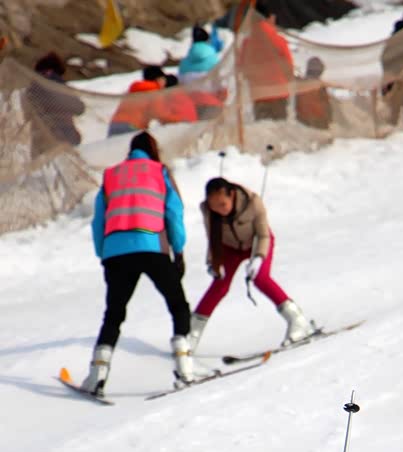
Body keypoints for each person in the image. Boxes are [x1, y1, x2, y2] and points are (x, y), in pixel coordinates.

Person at [81, 131, 193, 397]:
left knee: (114, 314)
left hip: (116, 252)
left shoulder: (111, 175)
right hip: (152, 246)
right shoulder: (159, 171)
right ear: (153, 149)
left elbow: (99, 220)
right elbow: (173, 212)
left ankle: (97, 374)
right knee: (178, 305)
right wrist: (178, 250)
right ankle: (185, 368)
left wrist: (103, 253)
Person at [188, 176, 314, 354]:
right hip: (229, 248)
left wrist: (259, 258)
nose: (219, 210)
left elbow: (264, 235)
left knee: (261, 278)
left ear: (232, 195)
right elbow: (212, 238)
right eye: (214, 206)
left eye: (223, 204)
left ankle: (297, 320)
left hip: (257, 243)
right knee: (219, 285)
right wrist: (213, 263)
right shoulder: (208, 210)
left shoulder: (253, 203)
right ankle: (192, 333)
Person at [238, 0, 294, 120]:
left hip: (258, 94)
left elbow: (242, 68)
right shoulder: (278, 40)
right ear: (269, 17)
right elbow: (289, 66)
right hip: (278, 92)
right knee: (280, 128)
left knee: (263, 127)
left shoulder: (247, 43)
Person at [26, 51, 85, 148]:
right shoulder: (59, 86)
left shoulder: (32, 90)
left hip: (40, 137)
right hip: (65, 134)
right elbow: (79, 108)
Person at [107, 65, 166, 137]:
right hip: (132, 127)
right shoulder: (154, 91)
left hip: (115, 125)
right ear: (158, 79)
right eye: (163, 78)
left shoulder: (135, 89)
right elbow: (161, 115)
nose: (165, 81)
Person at [295, 57, 332, 130]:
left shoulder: (300, 82)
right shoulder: (320, 86)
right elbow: (327, 105)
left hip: (303, 120)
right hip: (317, 121)